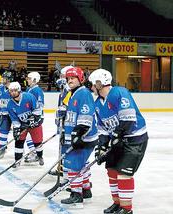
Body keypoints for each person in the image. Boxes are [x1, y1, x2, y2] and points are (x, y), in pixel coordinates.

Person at [89, 69, 148, 214]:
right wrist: (101, 147)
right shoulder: (97, 103)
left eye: (92, 84)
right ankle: (117, 203)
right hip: (118, 140)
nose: (90, 87)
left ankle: (126, 208)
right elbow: (102, 128)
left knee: (123, 174)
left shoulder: (119, 92)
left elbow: (128, 118)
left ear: (99, 83)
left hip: (134, 139)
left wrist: (117, 136)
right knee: (112, 171)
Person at [60, 67, 98, 208]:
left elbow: (85, 116)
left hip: (84, 137)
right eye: (68, 78)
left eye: (73, 78)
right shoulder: (74, 93)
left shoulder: (83, 93)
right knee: (81, 163)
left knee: (73, 165)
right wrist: (66, 132)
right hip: (79, 136)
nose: (70, 80)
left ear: (80, 79)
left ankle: (76, 195)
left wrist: (77, 134)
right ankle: (86, 190)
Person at [7, 82, 44, 168]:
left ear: (19, 90)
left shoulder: (29, 97)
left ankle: (39, 156)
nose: (13, 92)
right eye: (11, 91)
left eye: (15, 90)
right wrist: (16, 129)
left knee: (37, 142)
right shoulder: (10, 104)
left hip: (35, 122)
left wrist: (33, 118)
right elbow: (14, 119)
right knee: (19, 141)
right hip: (22, 124)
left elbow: (38, 109)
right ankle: (17, 160)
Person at [23, 72, 45, 163]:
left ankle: (36, 154)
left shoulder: (37, 90)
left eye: (29, 78)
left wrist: (34, 116)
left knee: (34, 136)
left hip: (36, 117)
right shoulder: (29, 89)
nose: (27, 80)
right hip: (28, 117)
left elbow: (40, 105)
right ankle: (34, 152)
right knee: (28, 136)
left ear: (35, 80)